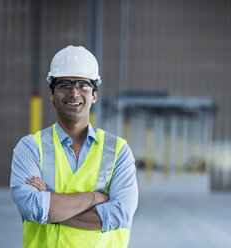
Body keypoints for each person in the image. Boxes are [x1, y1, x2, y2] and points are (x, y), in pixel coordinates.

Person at [10, 45, 138, 248]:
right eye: (64, 84)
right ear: (51, 93)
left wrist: (50, 207)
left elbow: (120, 214)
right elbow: (32, 207)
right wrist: (95, 198)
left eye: (83, 85)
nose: (74, 92)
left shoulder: (118, 151)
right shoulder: (30, 148)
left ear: (94, 95)